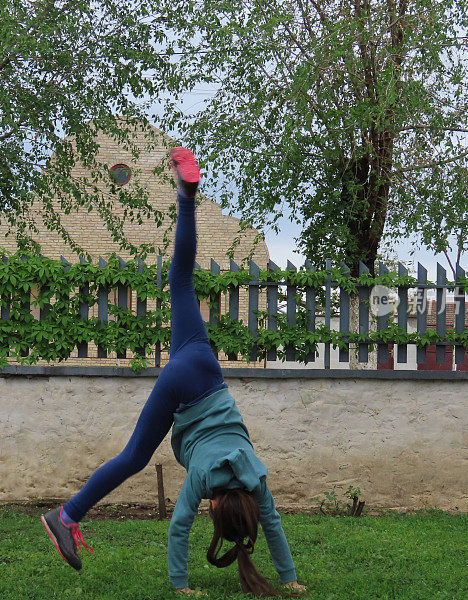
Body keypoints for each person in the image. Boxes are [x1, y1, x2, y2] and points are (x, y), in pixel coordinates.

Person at [41, 147, 306, 596]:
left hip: (202, 362)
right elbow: (181, 527)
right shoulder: (204, 480)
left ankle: (186, 197)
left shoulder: (257, 477)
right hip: (182, 387)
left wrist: (290, 578)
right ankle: (63, 516)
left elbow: (272, 526)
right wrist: (182, 587)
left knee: (181, 281)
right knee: (133, 457)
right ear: (219, 505)